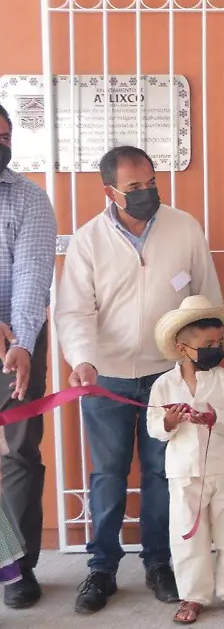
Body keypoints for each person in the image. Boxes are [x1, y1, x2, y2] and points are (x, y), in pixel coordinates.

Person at [56, 145, 222, 614]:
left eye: (151, 182)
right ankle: (102, 569)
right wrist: (83, 359)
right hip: (106, 378)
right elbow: (75, 310)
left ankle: (158, 563)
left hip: (167, 375)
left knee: (161, 474)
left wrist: (201, 355)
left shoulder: (183, 226)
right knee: (108, 474)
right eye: (134, 188)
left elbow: (205, 295)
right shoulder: (88, 240)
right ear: (110, 191)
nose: (147, 192)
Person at [146, 296, 224, 624]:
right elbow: (154, 427)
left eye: (219, 343)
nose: (216, 349)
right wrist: (170, 422)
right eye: (208, 343)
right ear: (182, 348)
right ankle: (192, 595)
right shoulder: (164, 385)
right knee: (186, 535)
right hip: (183, 472)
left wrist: (214, 417)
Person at [0, 104, 57, 609]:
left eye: (4, 136)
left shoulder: (30, 199)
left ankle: (17, 568)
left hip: (14, 348)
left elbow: (33, 272)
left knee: (18, 453)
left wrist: (21, 342)